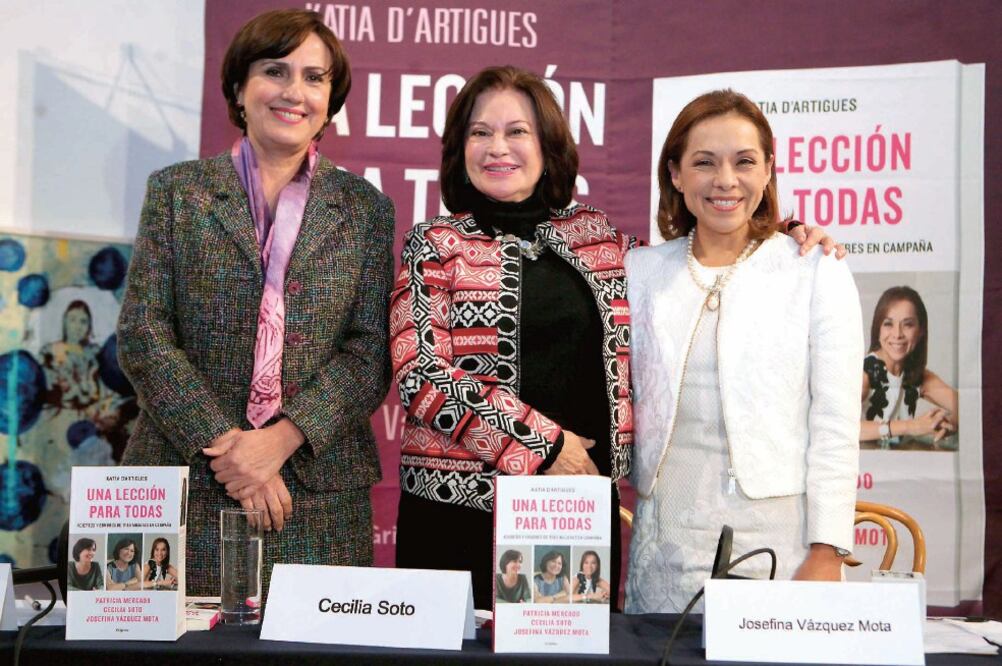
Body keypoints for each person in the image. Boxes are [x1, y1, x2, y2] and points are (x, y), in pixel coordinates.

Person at [390, 67, 838, 611]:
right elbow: (419, 373)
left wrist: (783, 237)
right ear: (460, 148)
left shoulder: (597, 237)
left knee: (566, 656)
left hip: (571, 518)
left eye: (517, 132)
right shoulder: (434, 244)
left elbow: (700, 257)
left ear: (548, 146)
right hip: (460, 517)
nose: (497, 148)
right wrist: (545, 445)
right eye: (480, 133)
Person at [117, 9, 394, 597]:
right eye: (276, 70)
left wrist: (280, 439)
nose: (295, 91)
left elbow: (369, 353)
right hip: (188, 480)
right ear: (240, 89)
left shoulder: (366, 209)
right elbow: (144, 334)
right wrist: (232, 452)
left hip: (315, 492)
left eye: (315, 78)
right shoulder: (177, 192)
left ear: (331, 101)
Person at [625, 90, 862, 613]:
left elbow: (836, 426)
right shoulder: (637, 272)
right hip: (665, 541)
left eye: (744, 161)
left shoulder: (815, 269)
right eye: (704, 162)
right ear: (676, 174)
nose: (725, 180)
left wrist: (828, 551)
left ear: (769, 170)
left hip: (782, 545)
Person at [861, 286, 958, 449]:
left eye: (908, 325)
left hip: (901, 464)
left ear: (920, 331)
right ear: (878, 329)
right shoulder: (864, 372)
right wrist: (911, 427)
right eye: (888, 324)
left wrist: (949, 425)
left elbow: (970, 406)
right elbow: (840, 427)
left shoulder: (917, 376)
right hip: (863, 467)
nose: (897, 334)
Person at [40, 300, 100, 410]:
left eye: (83, 321)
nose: (78, 326)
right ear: (65, 321)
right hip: (60, 410)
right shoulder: (52, 350)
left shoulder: (93, 352)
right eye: (72, 320)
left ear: (89, 326)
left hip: (91, 410)